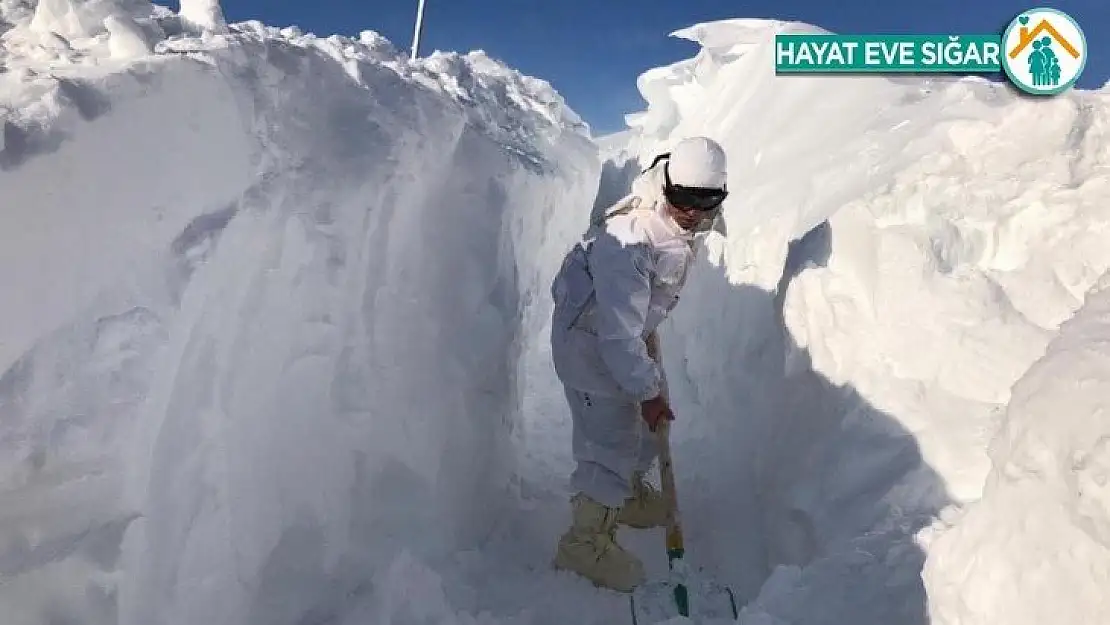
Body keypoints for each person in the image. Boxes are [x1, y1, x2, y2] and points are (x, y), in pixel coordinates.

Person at [548, 136, 729, 591]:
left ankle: (625, 496)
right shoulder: (629, 239)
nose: (693, 211)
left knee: (648, 431)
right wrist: (647, 392)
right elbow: (615, 335)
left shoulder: (678, 224)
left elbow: (633, 314)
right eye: (683, 198)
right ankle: (583, 543)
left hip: (623, 334)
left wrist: (646, 365)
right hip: (592, 345)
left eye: (706, 201)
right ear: (665, 185)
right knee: (609, 443)